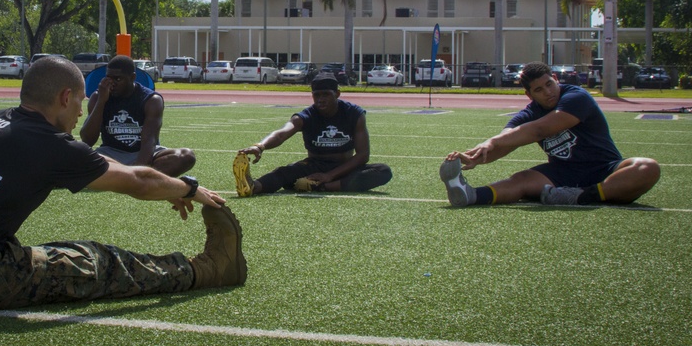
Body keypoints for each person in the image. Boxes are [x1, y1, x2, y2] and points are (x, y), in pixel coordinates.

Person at [0, 55, 245, 311]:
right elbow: (136, 181)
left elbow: (97, 160)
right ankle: (207, 270)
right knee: (101, 261)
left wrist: (167, 184)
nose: (81, 112)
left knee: (41, 248)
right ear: (65, 97)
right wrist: (189, 188)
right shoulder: (48, 145)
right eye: (80, 101)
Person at [440, 61, 661, 206]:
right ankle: (470, 195)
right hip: (562, 175)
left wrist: (494, 141)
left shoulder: (576, 97)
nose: (548, 92)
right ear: (529, 95)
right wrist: (477, 156)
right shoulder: (529, 113)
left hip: (605, 168)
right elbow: (508, 140)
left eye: (549, 84)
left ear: (555, 78)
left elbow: (539, 130)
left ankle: (584, 196)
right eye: (539, 90)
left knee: (646, 167)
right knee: (522, 179)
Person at [233, 73, 393, 196]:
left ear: (337, 94)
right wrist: (260, 146)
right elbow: (282, 133)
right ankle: (253, 187)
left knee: (382, 171)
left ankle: (318, 186)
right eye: (317, 95)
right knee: (284, 173)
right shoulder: (307, 116)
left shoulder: (354, 114)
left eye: (326, 94)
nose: (321, 100)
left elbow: (363, 155)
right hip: (314, 165)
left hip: (344, 167)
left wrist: (328, 176)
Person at [80, 54, 195, 176]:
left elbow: (149, 141)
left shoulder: (151, 100)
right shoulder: (98, 97)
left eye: (118, 79)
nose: (112, 84)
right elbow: (88, 140)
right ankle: (144, 179)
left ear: (132, 77)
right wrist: (101, 101)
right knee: (75, 157)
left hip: (143, 153)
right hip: (110, 153)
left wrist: (137, 173)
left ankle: (122, 178)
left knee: (186, 156)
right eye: (109, 78)